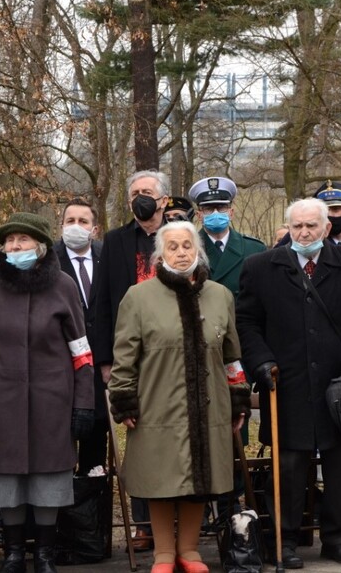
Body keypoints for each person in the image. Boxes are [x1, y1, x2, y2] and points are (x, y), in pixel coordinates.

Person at [237, 198, 341, 567]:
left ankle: (337, 539)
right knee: (287, 466)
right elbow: (247, 324)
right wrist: (262, 363)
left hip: (339, 386)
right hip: (285, 386)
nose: (304, 233)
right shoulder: (261, 267)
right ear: (288, 227)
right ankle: (284, 540)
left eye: (312, 226)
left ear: (326, 227)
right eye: (297, 226)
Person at [108, 221, 251, 573]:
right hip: (157, 401)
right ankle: (163, 554)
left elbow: (231, 355)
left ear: (198, 249)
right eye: (172, 246)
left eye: (187, 245)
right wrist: (124, 397)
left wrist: (237, 397)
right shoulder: (138, 297)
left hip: (210, 403)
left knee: (198, 479)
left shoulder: (220, 295)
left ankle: (189, 551)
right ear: (160, 253)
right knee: (162, 477)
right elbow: (124, 355)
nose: (181, 252)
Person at [0, 212, 94, 573]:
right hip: (1, 401)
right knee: (6, 478)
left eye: (23, 240)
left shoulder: (64, 285)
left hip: (54, 400)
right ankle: (14, 552)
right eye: (10, 241)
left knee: (48, 478)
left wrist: (83, 403)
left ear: (41, 245)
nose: (15, 247)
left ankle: (45, 555)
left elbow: (81, 351)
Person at [93, 169, 171, 551]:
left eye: (148, 192)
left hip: (173, 356)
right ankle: (144, 524)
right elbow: (102, 303)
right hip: (133, 357)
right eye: (135, 193)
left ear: (164, 200)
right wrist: (106, 360)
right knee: (142, 439)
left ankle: (183, 520)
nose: (141, 198)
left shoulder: (181, 237)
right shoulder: (115, 241)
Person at [52, 199, 106, 474]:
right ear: (61, 226)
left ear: (94, 229)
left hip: (98, 368)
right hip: (58, 367)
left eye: (83, 221)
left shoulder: (107, 255)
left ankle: (92, 510)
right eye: (70, 221)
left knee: (95, 455)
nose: (76, 226)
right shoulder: (47, 260)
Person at [188, 176, 266, 300]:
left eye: (221, 208)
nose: (216, 213)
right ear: (199, 215)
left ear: (231, 213)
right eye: (208, 209)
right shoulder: (188, 248)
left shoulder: (254, 249)